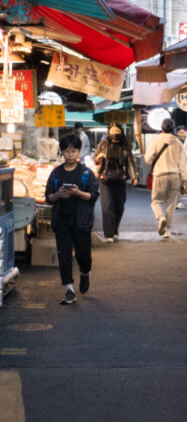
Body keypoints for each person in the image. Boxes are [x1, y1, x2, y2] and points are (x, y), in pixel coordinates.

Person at [45, 133, 99, 306]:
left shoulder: (86, 173)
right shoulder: (55, 174)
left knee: (83, 256)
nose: (70, 154)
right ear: (62, 152)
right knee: (64, 256)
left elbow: (93, 196)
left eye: (73, 151)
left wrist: (77, 193)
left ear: (78, 152)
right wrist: (57, 195)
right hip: (62, 220)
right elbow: (48, 198)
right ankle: (69, 289)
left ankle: (85, 273)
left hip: (82, 221)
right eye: (66, 151)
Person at [144, 118, 187, 238]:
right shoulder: (178, 143)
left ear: (162, 128)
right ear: (173, 129)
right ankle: (167, 231)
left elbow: (147, 159)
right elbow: (183, 163)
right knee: (171, 204)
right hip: (175, 176)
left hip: (160, 174)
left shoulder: (156, 141)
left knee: (156, 201)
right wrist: (184, 180)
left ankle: (161, 217)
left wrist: (154, 161)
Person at [93, 123, 138, 242]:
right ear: (109, 133)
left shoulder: (125, 146)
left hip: (120, 179)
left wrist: (134, 177)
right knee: (107, 206)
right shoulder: (103, 144)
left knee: (119, 206)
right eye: (113, 132)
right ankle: (108, 234)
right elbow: (95, 158)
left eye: (117, 132)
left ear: (121, 133)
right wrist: (99, 157)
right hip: (105, 179)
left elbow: (130, 161)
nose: (115, 134)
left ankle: (115, 229)